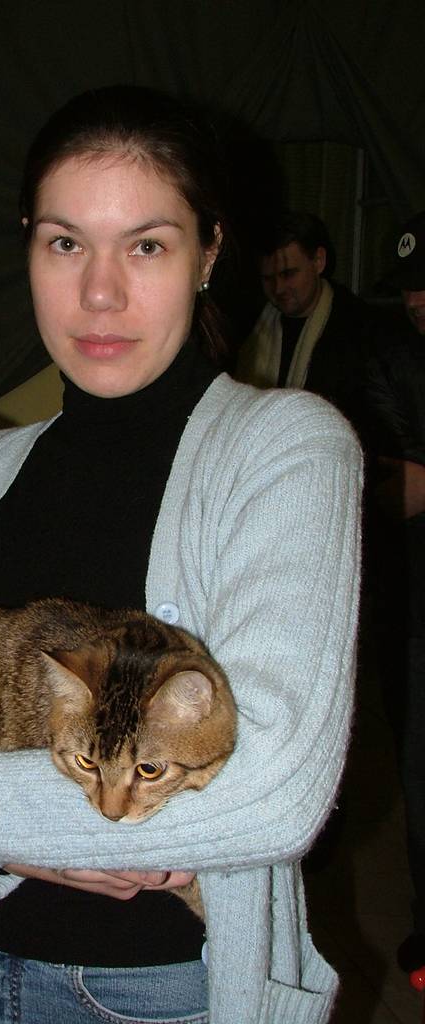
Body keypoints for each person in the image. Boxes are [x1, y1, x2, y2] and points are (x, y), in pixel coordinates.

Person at [0, 88, 362, 1024]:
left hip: (143, 992)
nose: (99, 293)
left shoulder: (286, 447)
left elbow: (275, 789)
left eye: (146, 246)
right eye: (65, 243)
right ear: (28, 249)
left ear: (209, 254)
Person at [361, 210, 425, 974]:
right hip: (415, 611)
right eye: (408, 288)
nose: (416, 300)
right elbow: (389, 484)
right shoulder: (390, 358)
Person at [235, 210, 375, 432]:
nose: (278, 288)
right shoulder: (247, 328)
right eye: (268, 278)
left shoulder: (359, 331)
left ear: (319, 261)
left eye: (288, 274)